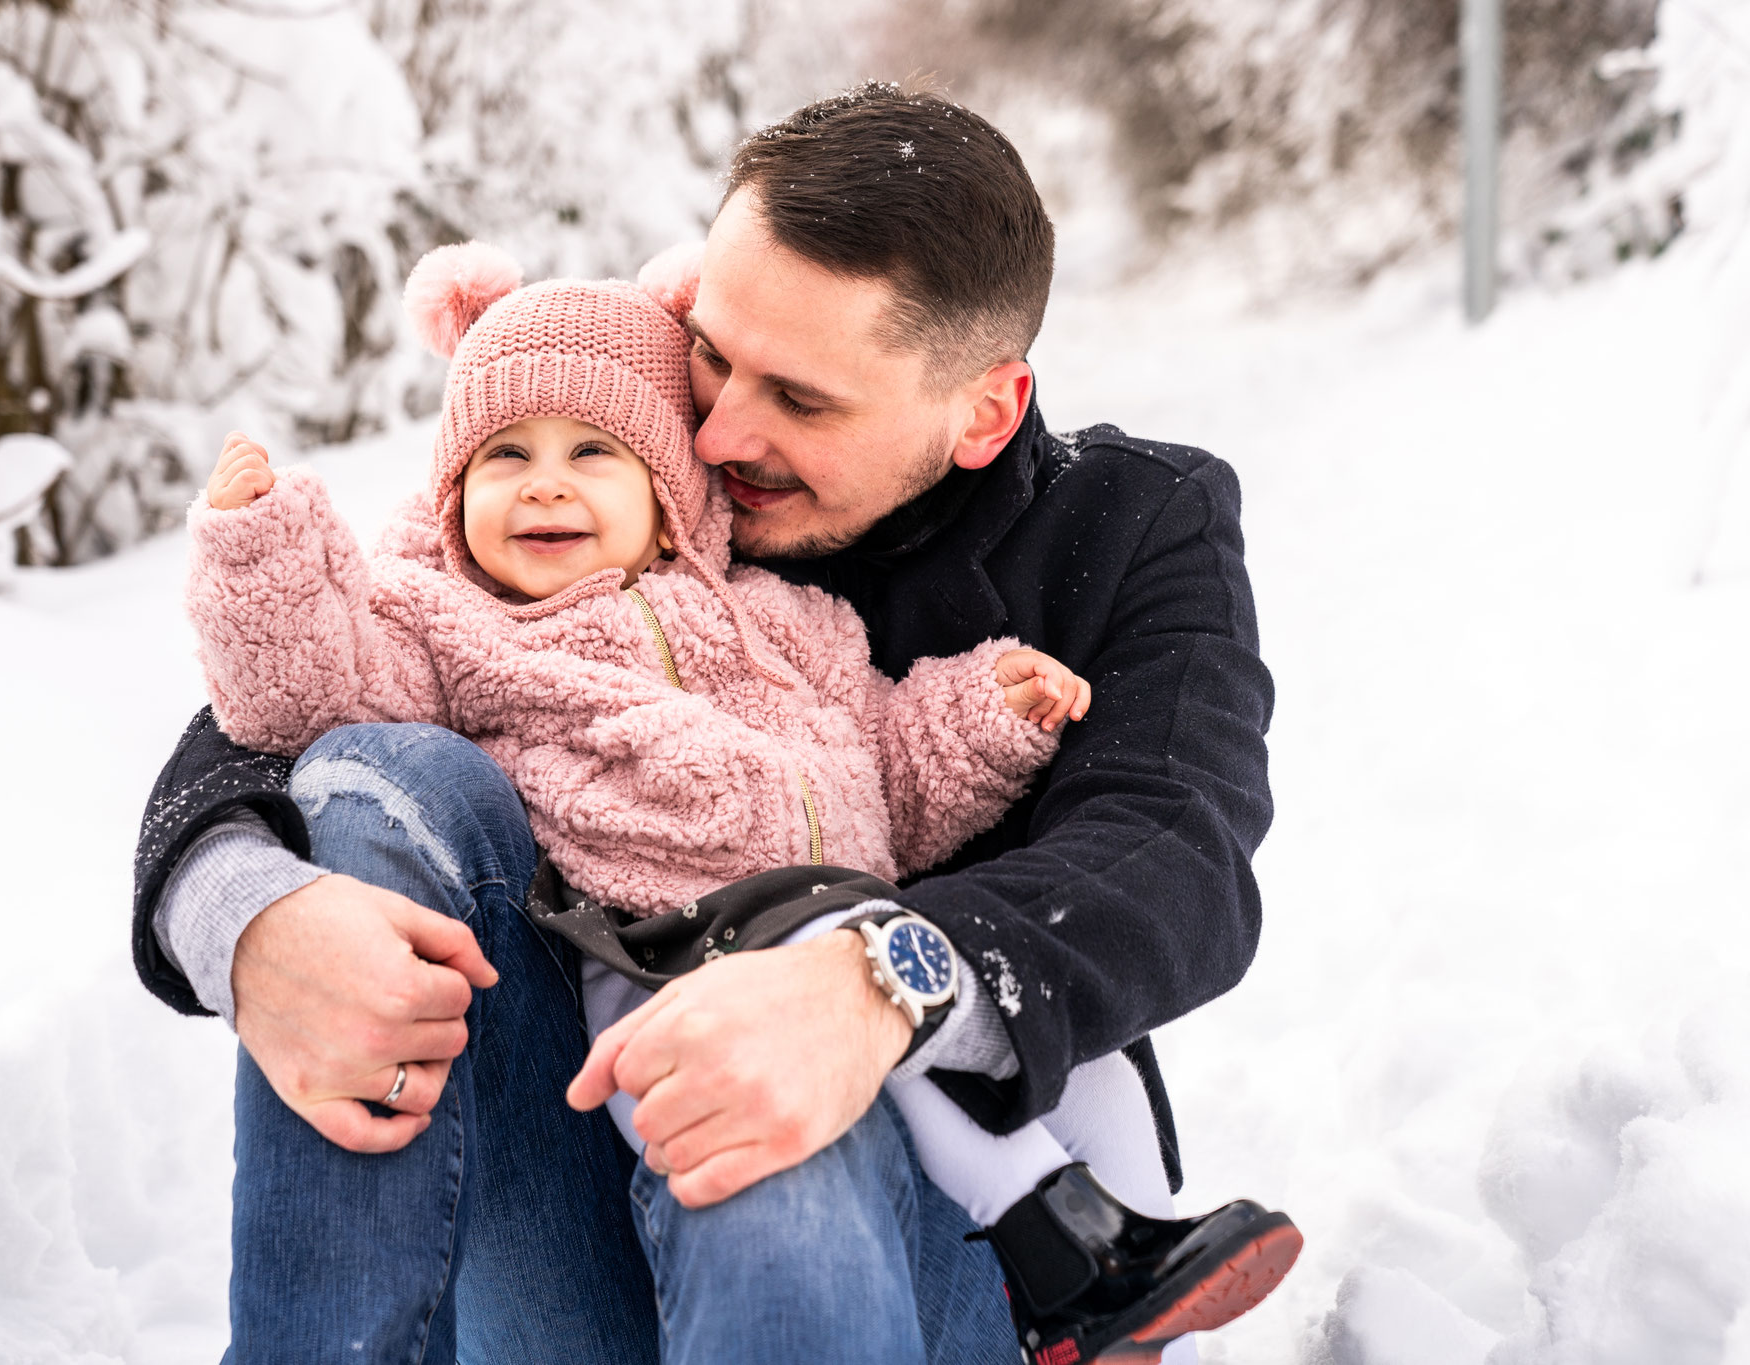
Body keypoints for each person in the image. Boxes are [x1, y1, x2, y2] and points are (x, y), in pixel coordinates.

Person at [131, 83, 1278, 1365]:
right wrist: (246, 922)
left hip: (914, 1234)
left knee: (767, 1098)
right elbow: (295, 696)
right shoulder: (612, 439)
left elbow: (1171, 854)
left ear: (982, 413)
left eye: (800, 400)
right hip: (575, 1152)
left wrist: (866, 984)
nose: (719, 430)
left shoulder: (1130, 525)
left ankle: (1079, 1267)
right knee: (377, 766)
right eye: (712, 354)